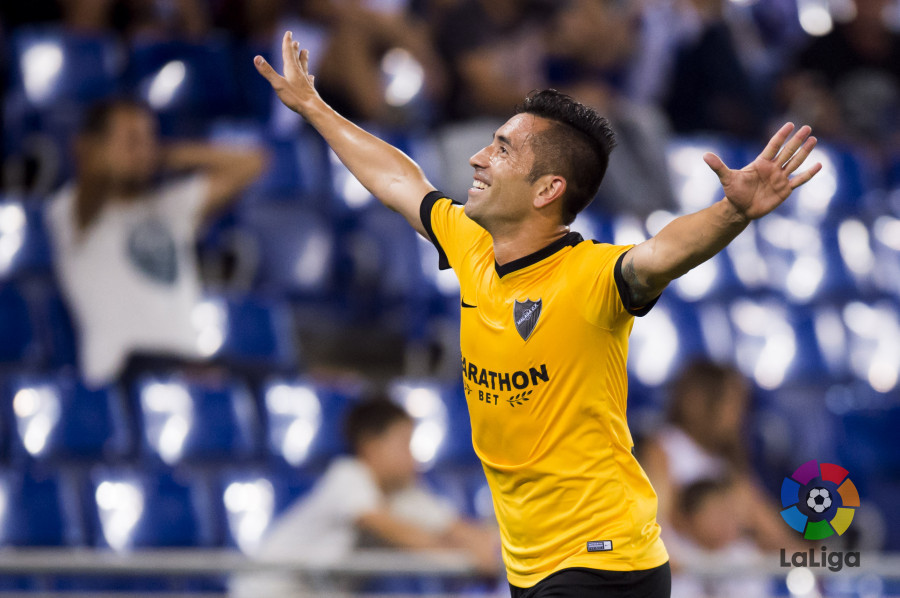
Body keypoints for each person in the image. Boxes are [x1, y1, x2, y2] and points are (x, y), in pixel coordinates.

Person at [253, 30, 821, 597]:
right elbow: (398, 179)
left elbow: (661, 253)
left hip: (604, 561)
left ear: (547, 189)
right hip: (533, 566)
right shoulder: (470, 245)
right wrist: (314, 107)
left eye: (502, 149)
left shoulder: (592, 277)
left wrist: (731, 214)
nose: (477, 157)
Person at [46, 98, 266, 388]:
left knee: (267, 380)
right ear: (91, 148)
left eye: (148, 139)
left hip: (187, 367)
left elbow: (254, 163)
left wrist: (168, 155)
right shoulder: (70, 210)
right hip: (122, 371)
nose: (143, 150)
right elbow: (92, 182)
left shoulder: (170, 207)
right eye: (131, 140)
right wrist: (103, 156)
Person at [229, 397, 500, 597]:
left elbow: (455, 527)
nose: (413, 458)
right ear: (371, 446)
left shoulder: (404, 493)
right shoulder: (347, 475)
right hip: (264, 592)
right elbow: (389, 527)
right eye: (404, 445)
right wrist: (465, 559)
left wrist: (488, 548)